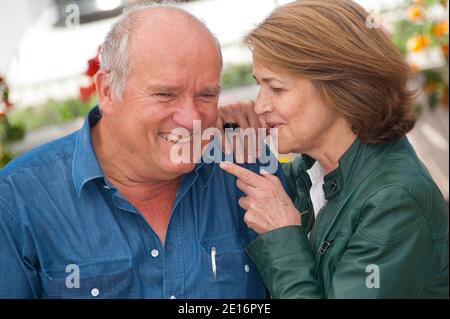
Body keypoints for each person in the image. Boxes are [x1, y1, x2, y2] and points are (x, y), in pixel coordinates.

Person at [0, 4, 282, 298]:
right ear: (108, 91)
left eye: (206, 95)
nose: (191, 118)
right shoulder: (17, 201)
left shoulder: (249, 162)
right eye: (165, 94)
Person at [218, 0, 449, 298]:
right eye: (259, 86)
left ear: (342, 87)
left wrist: (281, 237)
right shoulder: (308, 172)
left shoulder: (395, 200)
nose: (260, 105)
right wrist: (226, 132)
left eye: (276, 88)